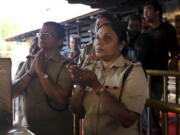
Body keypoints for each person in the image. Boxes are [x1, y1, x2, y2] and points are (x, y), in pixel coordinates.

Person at [68, 21, 148, 135]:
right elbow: (75, 109)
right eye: (97, 38)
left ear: (121, 45)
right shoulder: (90, 68)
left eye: (107, 38)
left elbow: (128, 120)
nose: (99, 42)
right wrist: (81, 84)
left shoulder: (133, 72)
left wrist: (96, 86)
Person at [12, 21, 74, 135]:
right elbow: (12, 92)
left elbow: (60, 99)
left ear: (60, 41)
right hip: (28, 129)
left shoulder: (66, 65)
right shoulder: (29, 61)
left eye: (48, 34)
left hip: (56, 130)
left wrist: (41, 72)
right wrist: (30, 72)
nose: (42, 35)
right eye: (41, 32)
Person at [143, 0, 180, 134]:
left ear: (157, 12)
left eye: (148, 10)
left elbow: (175, 49)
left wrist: (174, 59)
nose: (145, 13)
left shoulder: (167, 29)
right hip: (143, 72)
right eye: (144, 10)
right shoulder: (145, 30)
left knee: (153, 102)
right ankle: (150, 128)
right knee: (144, 101)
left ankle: (154, 129)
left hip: (158, 73)